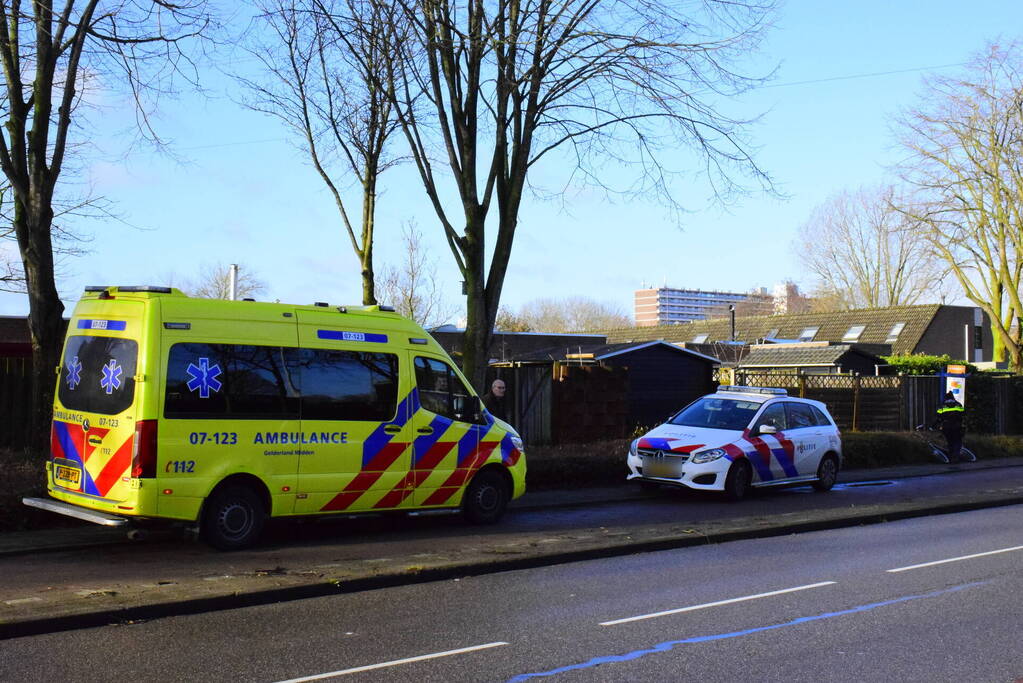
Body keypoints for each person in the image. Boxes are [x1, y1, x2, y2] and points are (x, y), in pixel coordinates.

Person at [932, 391, 966, 462]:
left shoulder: (942, 406)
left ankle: (950, 457)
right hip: (957, 426)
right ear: (953, 397)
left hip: (946, 426)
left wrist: (933, 425)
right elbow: (963, 415)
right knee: (957, 441)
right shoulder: (958, 404)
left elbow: (938, 417)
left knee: (950, 442)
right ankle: (956, 457)